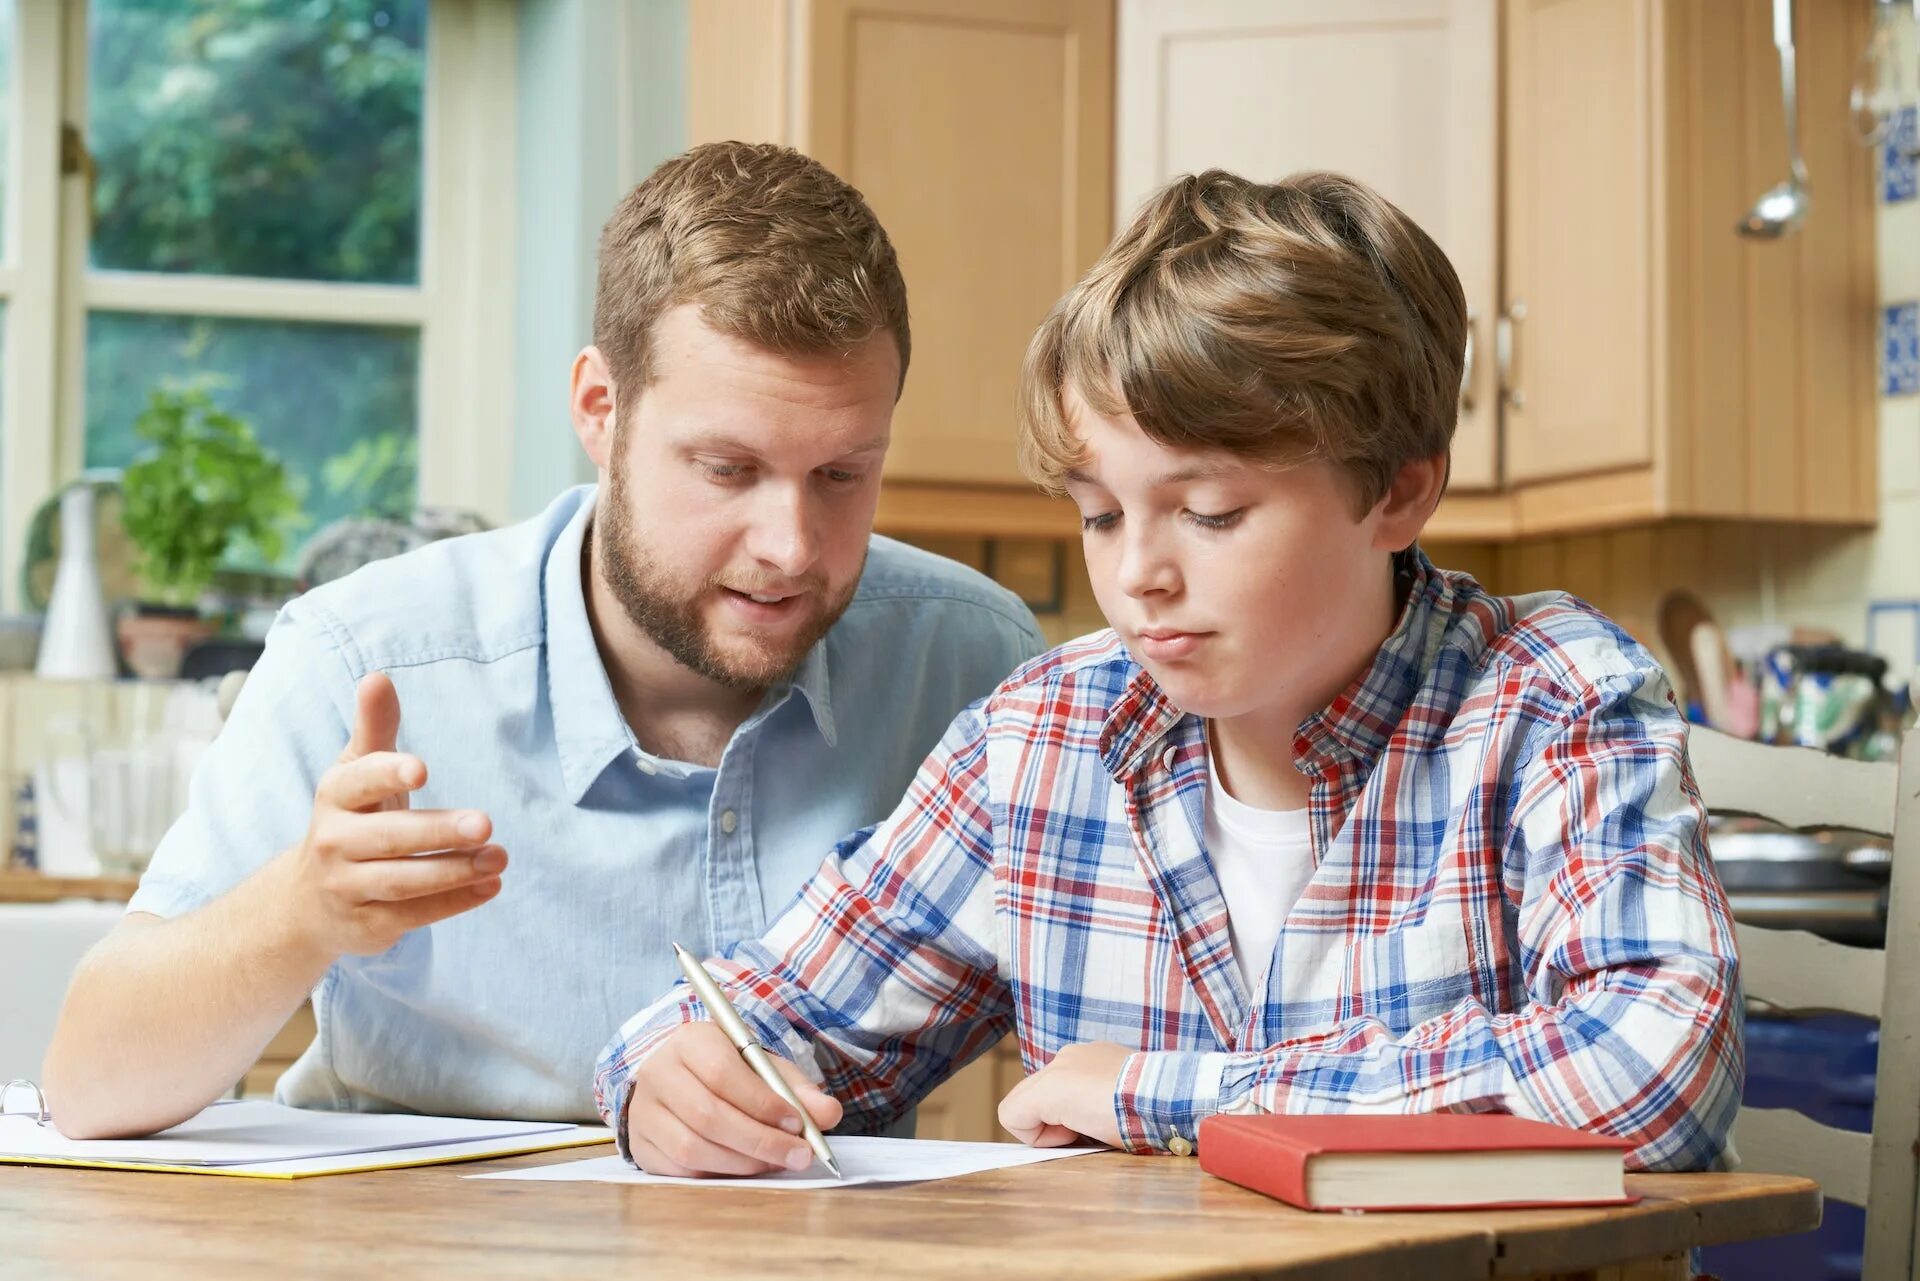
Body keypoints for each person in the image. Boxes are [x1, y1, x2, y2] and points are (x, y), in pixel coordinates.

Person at [595, 169, 1741, 1179]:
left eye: (1209, 512)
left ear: (1398, 490)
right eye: (1100, 517)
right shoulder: (1045, 735)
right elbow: (764, 1019)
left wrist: (1164, 1094)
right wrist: (668, 1082)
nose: (1138, 574)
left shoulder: (1552, 699)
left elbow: (1654, 1068)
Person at [43, 142, 1045, 1138]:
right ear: (599, 411)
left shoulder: (971, 667)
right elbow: (89, 1087)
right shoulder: (363, 659)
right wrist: (301, 910)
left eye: (842, 474)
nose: (790, 547)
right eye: (727, 469)